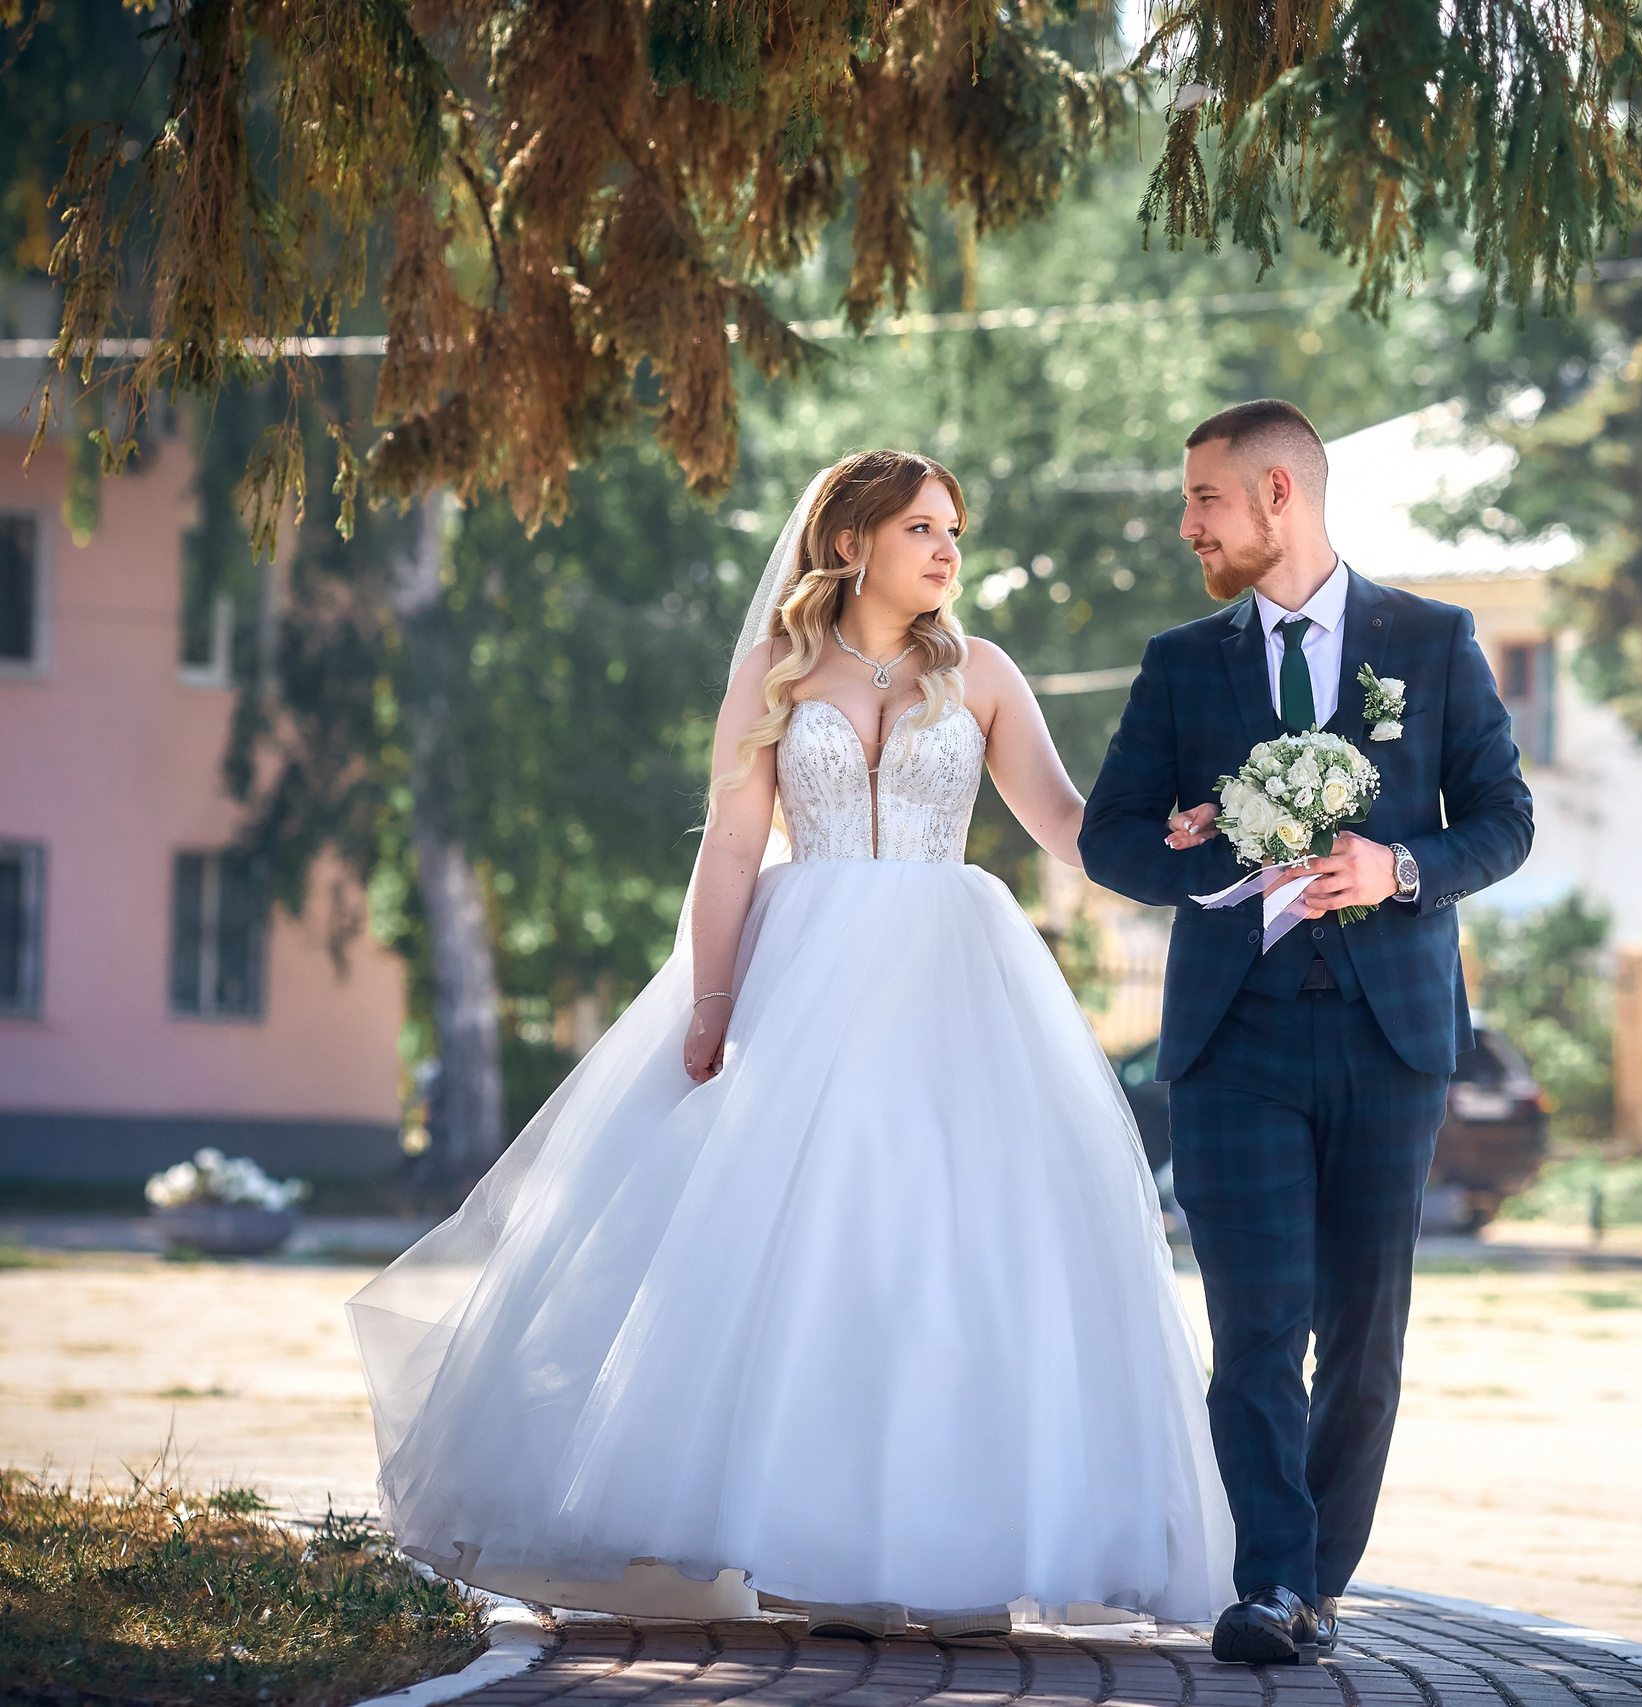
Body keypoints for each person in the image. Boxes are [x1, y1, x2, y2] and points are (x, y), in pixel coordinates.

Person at [348, 451, 1232, 1637]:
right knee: (811, 1246)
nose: (946, 550)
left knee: (949, 1247)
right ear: (853, 539)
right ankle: (815, 1542)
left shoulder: (980, 673)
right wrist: (712, 1004)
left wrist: (1168, 843)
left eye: (953, 529)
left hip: (950, 981)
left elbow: (1066, 825)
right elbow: (727, 848)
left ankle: (962, 1545)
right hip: (800, 972)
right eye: (922, 526)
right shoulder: (774, 670)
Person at [1079, 400, 1535, 1665]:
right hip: (1234, 1038)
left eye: (1203, 502)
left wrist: (1398, 869)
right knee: (1258, 1322)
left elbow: (1503, 819)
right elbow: (1107, 832)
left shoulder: (1431, 642)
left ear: (1279, 493)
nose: (1188, 527)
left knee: (1365, 1325)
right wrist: (1184, 848)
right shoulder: (1184, 664)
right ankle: (1271, 1583)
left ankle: (1320, 1579)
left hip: (1392, 1036)